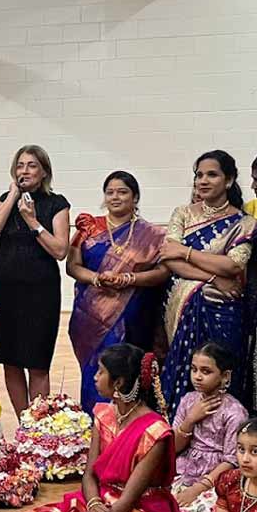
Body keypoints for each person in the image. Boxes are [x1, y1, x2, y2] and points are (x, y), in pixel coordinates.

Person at [3, 345, 182, 512]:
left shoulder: (155, 432)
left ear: (118, 382)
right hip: (101, 501)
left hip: (139, 509)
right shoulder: (104, 415)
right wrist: (95, 503)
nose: (95, 377)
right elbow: (89, 475)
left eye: (101, 372)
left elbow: (128, 500)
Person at [160, 150, 257, 417]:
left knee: (223, 376)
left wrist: (185, 252)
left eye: (212, 175)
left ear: (229, 180)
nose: (203, 181)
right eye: (199, 175)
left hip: (224, 312)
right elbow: (169, 258)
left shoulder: (245, 224)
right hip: (182, 307)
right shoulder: (182, 214)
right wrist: (212, 277)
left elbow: (232, 265)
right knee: (186, 374)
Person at [66, 171, 168, 414]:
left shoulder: (153, 235)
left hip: (133, 316)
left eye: (122, 192)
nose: (115, 197)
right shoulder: (89, 228)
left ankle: (129, 421)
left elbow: (163, 272)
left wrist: (129, 279)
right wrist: (96, 278)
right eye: (110, 192)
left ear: (135, 197)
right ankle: (96, 420)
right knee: (94, 368)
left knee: (126, 368)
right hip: (90, 315)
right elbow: (72, 266)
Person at [0, 145, 71, 413]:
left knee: (37, 362)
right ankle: (23, 424)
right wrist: (12, 196)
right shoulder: (7, 198)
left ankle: (37, 422)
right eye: (20, 165)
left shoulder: (57, 204)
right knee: (10, 361)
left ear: (44, 171)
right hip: (6, 289)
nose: (25, 171)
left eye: (32, 165)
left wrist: (32, 221)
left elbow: (60, 250)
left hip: (40, 291)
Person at [170, 342, 248, 512]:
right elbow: (173, 447)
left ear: (225, 376)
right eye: (194, 369)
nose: (197, 376)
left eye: (206, 371)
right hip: (183, 470)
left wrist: (197, 489)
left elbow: (231, 461)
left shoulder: (234, 412)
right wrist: (190, 420)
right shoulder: (188, 401)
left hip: (216, 478)